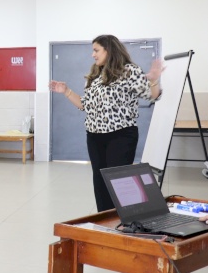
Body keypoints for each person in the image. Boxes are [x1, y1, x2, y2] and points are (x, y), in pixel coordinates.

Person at [49, 34, 163, 212]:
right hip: (95, 137)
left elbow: (152, 95)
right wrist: (66, 91)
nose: (93, 55)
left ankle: (122, 219)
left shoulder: (129, 71)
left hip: (121, 136)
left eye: (96, 50)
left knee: (119, 182)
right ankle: (105, 219)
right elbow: (85, 105)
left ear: (109, 50)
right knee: (100, 181)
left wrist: (154, 79)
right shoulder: (95, 74)